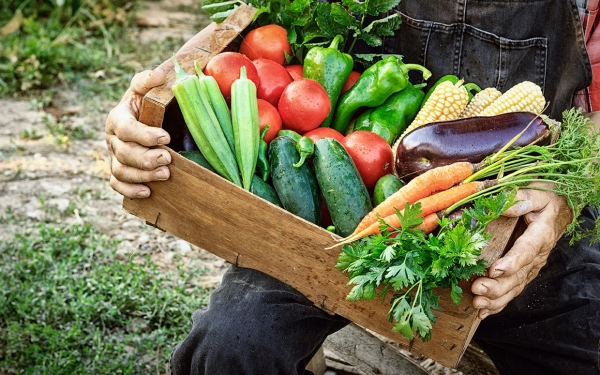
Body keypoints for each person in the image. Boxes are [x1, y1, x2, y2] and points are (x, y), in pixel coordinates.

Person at [105, 1, 600, 374]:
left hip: (526, 216)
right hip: (340, 220)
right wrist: (145, 104)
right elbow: (245, 33)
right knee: (231, 348)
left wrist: (563, 197)